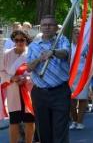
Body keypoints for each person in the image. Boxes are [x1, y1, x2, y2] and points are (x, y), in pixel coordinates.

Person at [27, 15, 71, 143]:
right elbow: (29, 68)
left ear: (56, 27)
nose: (47, 27)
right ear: (41, 27)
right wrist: (39, 59)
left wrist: (53, 52)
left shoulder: (62, 40)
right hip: (40, 93)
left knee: (60, 130)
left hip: (60, 92)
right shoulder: (33, 46)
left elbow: (65, 53)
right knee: (43, 131)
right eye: (44, 25)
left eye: (50, 25)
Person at [0, 30, 34, 143]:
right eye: (17, 40)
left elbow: (36, 73)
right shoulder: (6, 54)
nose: (19, 42)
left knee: (29, 121)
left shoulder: (31, 53)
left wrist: (27, 79)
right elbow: (1, 72)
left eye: (22, 40)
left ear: (26, 40)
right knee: (14, 121)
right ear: (14, 40)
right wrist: (12, 78)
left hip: (28, 91)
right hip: (13, 91)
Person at [69, 26, 89, 130]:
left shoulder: (85, 46)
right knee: (71, 100)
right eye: (75, 32)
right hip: (70, 76)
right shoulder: (68, 46)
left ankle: (80, 122)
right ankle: (74, 120)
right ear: (72, 34)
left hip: (82, 76)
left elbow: (90, 60)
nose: (77, 34)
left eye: (79, 33)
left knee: (82, 98)